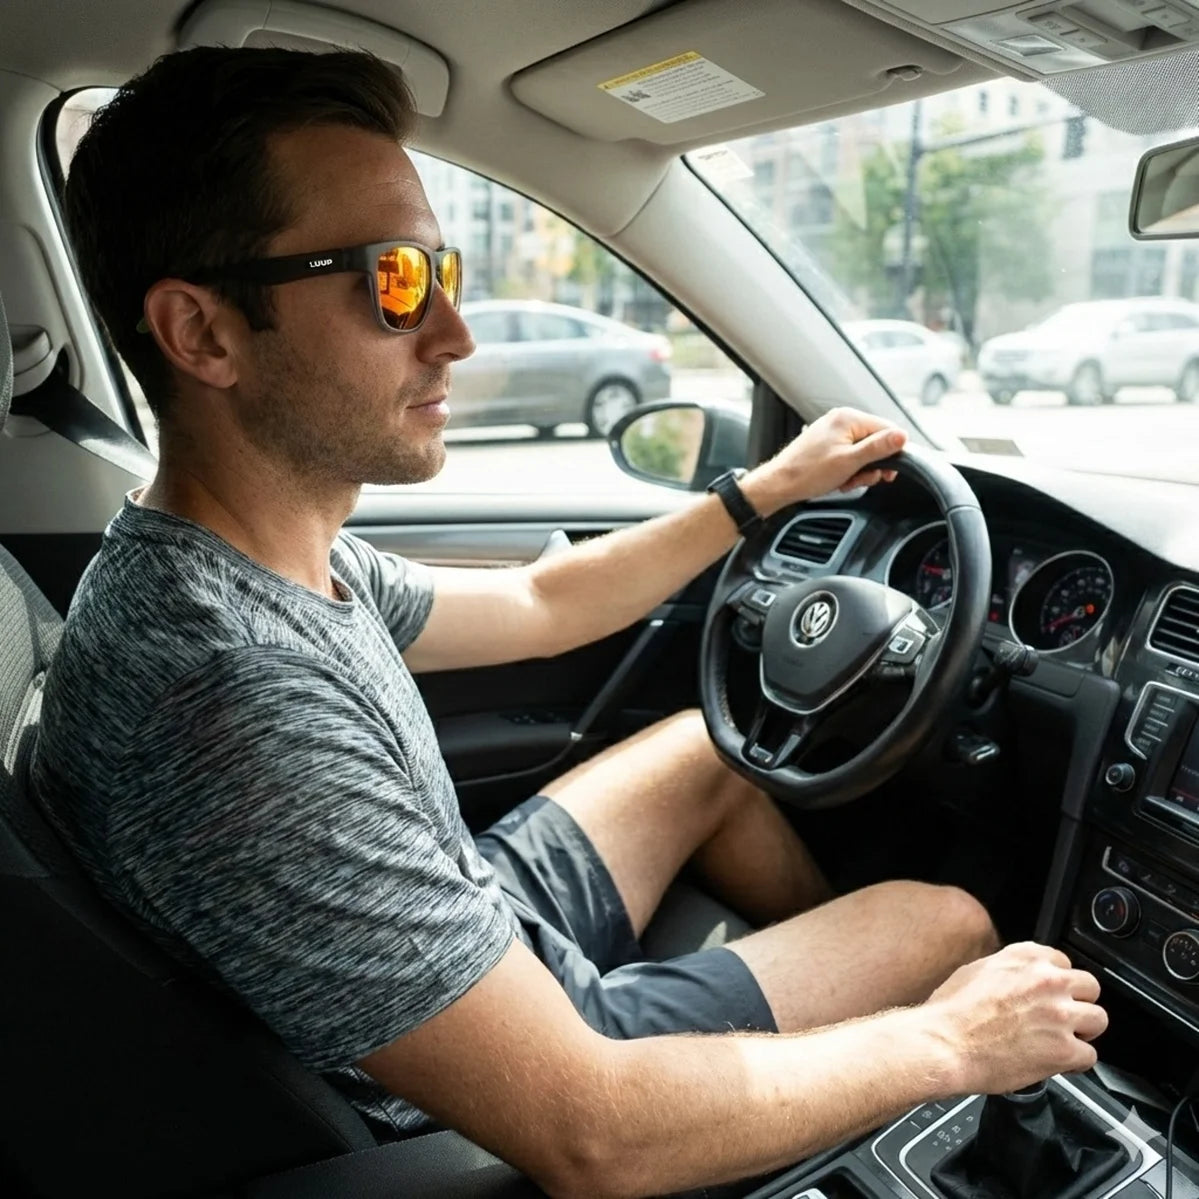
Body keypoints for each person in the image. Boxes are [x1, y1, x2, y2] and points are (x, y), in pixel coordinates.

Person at [32, 46, 1107, 1199]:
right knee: (942, 918)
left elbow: (547, 603)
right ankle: (868, 1044)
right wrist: (947, 1039)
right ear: (202, 334)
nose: (454, 332)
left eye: (439, 268)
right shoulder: (231, 697)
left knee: (709, 748)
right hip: (494, 1074)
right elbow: (589, 1131)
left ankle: (817, 1027)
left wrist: (761, 491)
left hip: (473, 913)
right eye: (393, 280)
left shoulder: (247, 559)